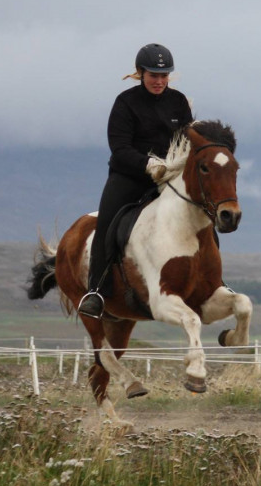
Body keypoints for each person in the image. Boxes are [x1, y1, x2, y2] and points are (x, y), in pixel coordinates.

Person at [78, 43, 194, 318]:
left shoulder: (178, 102)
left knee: (202, 217)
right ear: (140, 73)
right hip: (129, 177)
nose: (159, 81)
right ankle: (97, 291)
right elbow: (119, 148)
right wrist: (148, 164)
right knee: (107, 222)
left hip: (168, 179)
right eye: (154, 75)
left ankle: (213, 280)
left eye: (164, 75)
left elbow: (188, 140)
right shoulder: (125, 102)